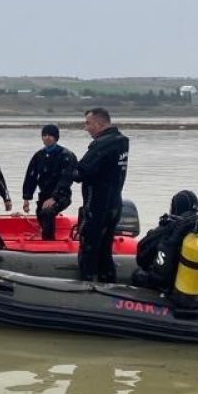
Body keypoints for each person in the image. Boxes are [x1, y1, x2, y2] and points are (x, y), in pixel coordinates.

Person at [131, 190, 198, 302]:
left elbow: (141, 256)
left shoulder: (171, 226)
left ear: (175, 208)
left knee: (137, 275)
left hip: (168, 287)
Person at [74, 108, 130, 283]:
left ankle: (88, 286)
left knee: (89, 249)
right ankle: (109, 283)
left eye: (88, 123)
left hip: (97, 206)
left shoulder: (102, 144)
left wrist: (64, 169)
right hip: (114, 204)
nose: (86, 128)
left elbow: (80, 173)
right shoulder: (121, 141)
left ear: (99, 123)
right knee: (105, 249)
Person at [20, 124, 77, 240]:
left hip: (61, 195)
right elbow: (31, 176)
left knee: (47, 212)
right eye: (44, 135)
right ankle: (45, 236)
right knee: (40, 213)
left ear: (56, 137)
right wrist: (26, 198)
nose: (47, 137)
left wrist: (54, 198)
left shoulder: (66, 155)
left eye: (50, 135)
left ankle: (49, 242)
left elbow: (66, 179)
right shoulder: (38, 155)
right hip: (44, 195)